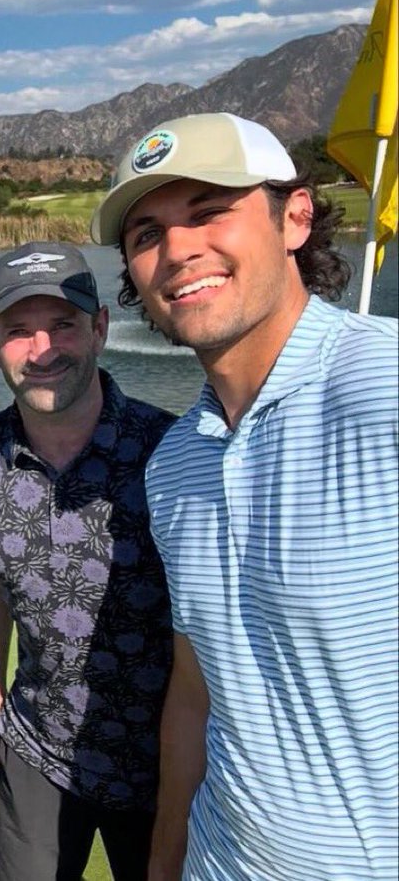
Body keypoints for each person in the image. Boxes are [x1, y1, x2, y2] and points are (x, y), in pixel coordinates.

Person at [93, 112, 399, 881]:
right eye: (146, 234)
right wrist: (164, 864)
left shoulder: (384, 389)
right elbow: (197, 694)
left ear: (295, 217)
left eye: (208, 213)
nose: (178, 250)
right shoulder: (173, 467)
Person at [0, 241, 176, 881]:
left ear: (101, 327)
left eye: (63, 325)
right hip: (37, 743)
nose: (42, 350)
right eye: (18, 330)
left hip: (161, 756)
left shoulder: (171, 449)